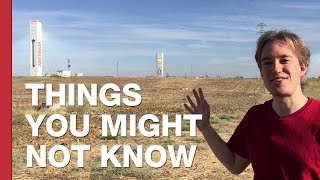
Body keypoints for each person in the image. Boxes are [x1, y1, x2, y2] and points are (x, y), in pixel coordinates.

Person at [184, 30, 320, 180]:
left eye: (284, 60)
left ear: (302, 67)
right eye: (267, 62)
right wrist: (205, 127)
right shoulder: (256, 117)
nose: (275, 69)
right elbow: (234, 164)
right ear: (262, 72)